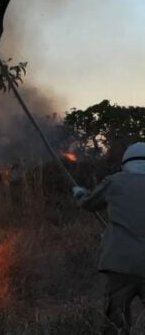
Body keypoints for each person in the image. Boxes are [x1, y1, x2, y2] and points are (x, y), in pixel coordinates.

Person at [73, 142, 145, 334]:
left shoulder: (114, 181)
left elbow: (89, 203)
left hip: (119, 263)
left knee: (116, 322)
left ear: (126, 162)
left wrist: (80, 194)